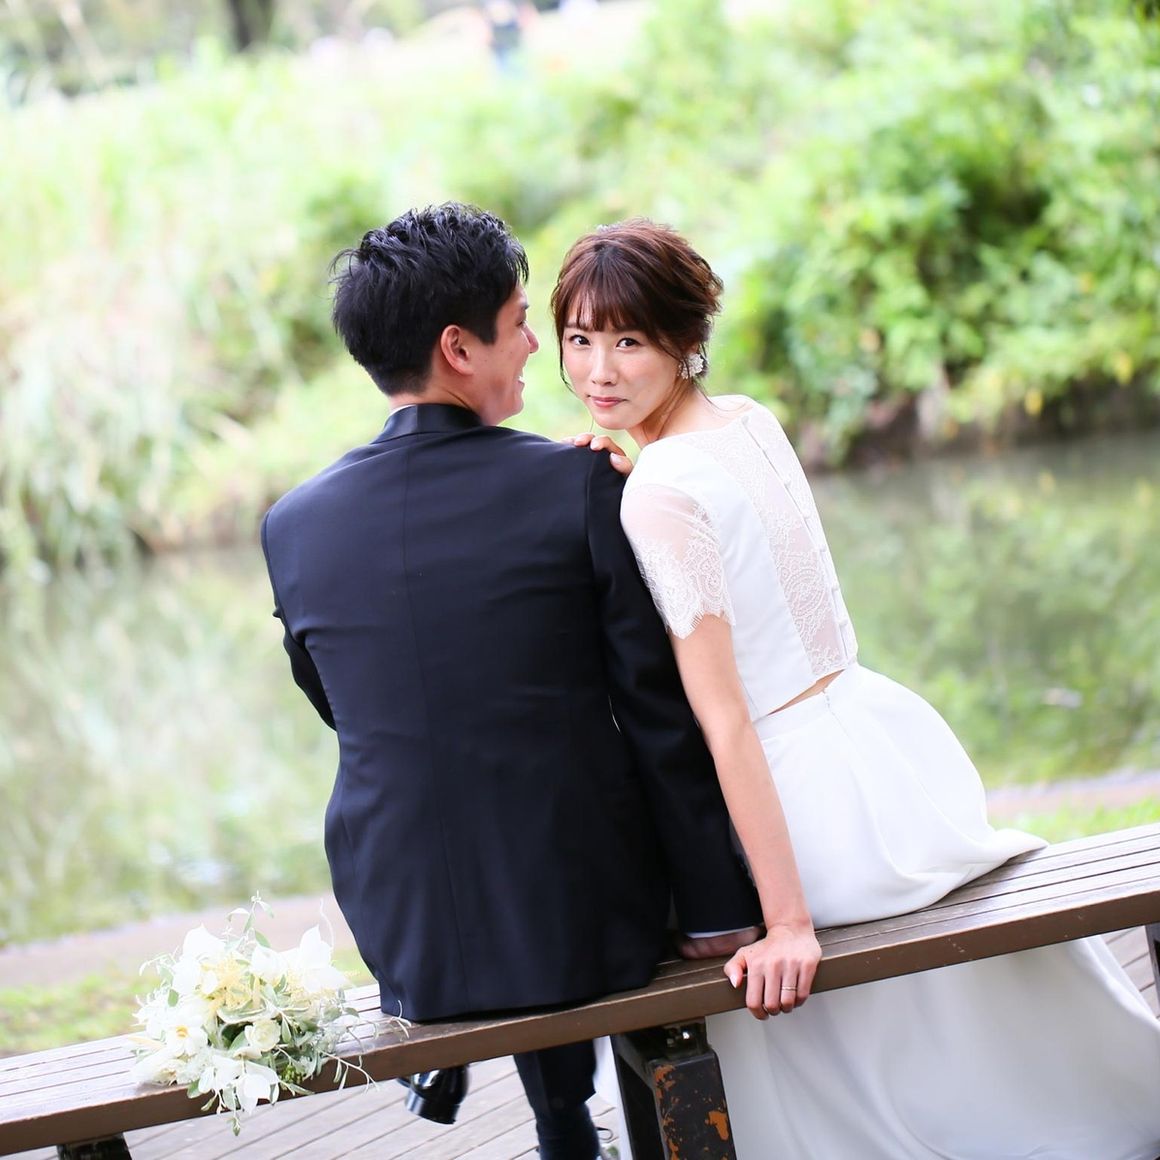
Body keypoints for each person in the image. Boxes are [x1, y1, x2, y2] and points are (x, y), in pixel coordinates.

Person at [551, 218, 1160, 1158]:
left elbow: (725, 721)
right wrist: (642, 462)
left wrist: (786, 921)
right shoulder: (748, 421)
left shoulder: (659, 493)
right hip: (880, 750)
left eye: (629, 340)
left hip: (800, 807)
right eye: (579, 338)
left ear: (683, 340)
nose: (599, 370)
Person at [259, 203, 760, 1160]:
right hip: (586, 920)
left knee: (477, 799)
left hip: (406, 930)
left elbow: (338, 706)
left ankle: (558, 1122)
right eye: (522, 322)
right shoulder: (576, 485)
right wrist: (715, 908)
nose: (538, 346)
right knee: (550, 820)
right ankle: (570, 1122)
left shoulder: (293, 524)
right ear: (459, 348)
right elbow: (658, 720)